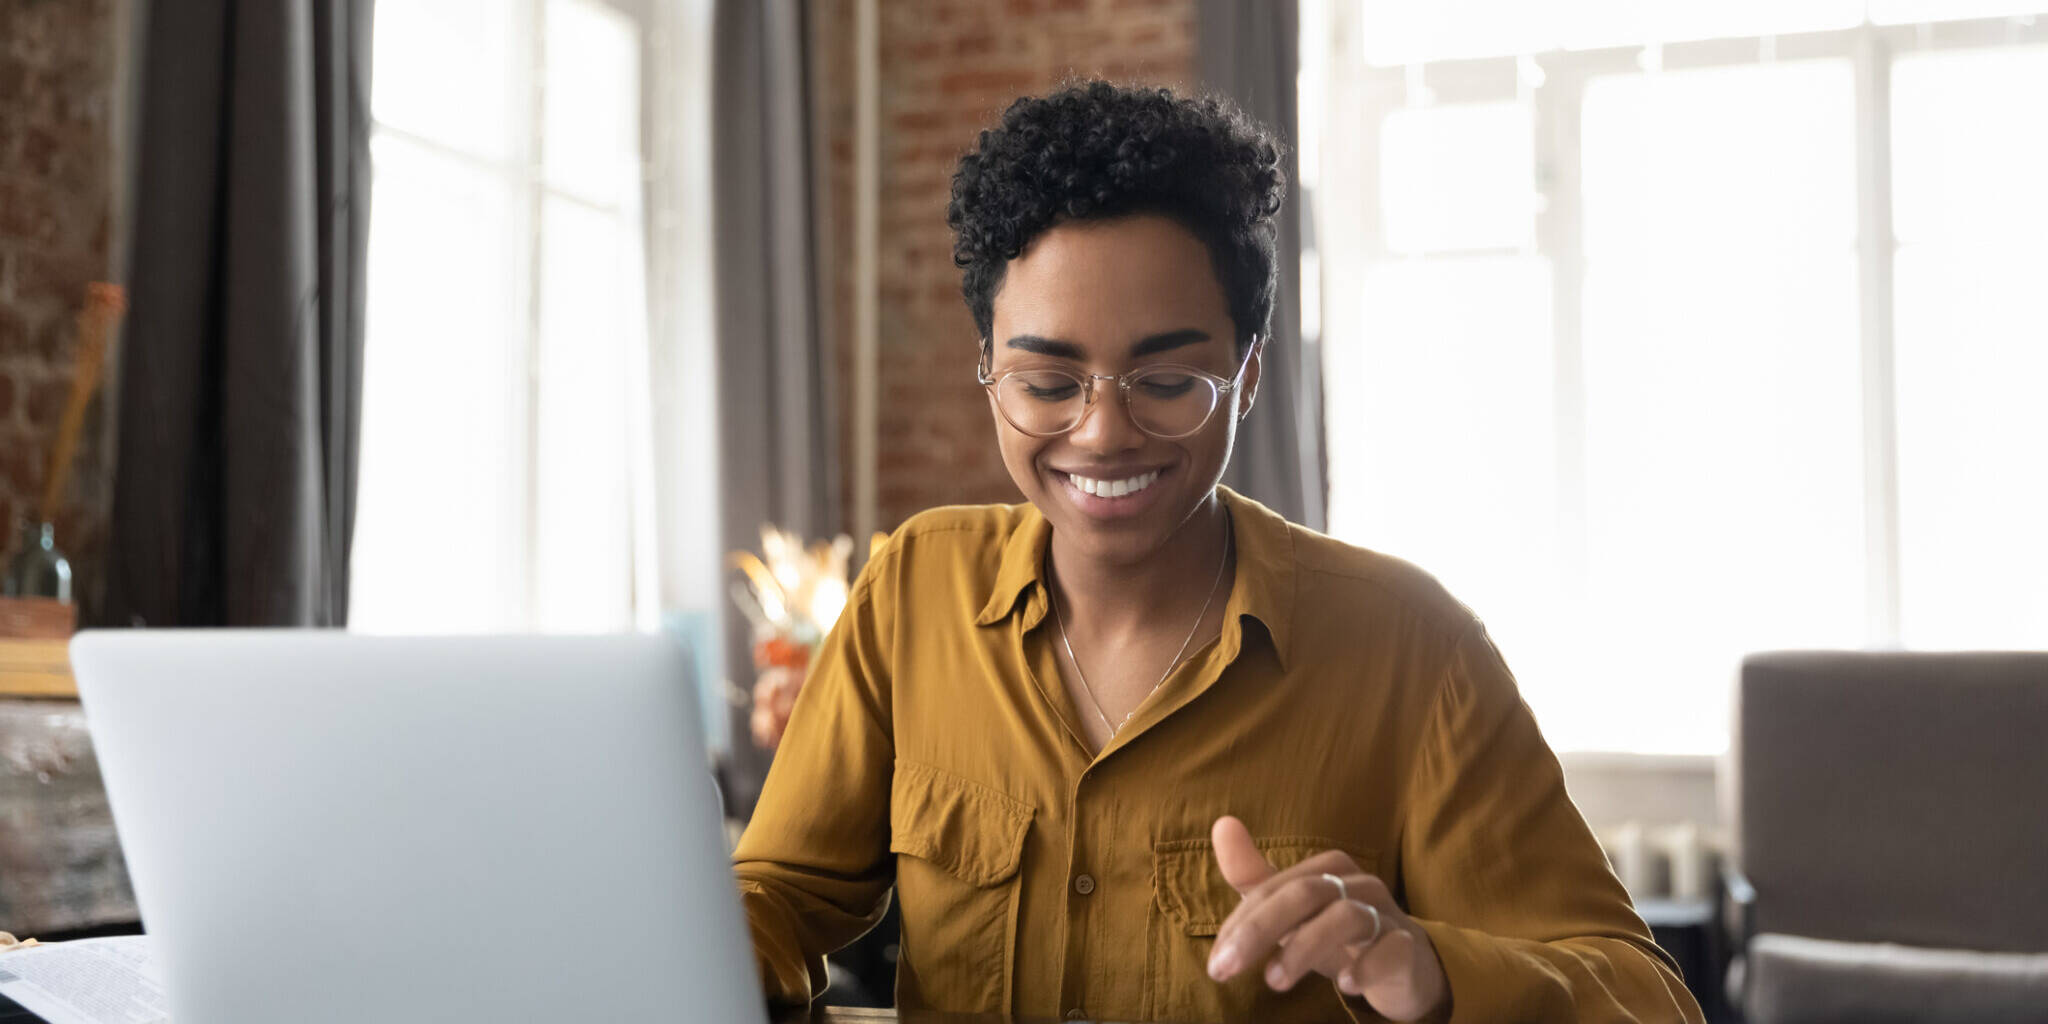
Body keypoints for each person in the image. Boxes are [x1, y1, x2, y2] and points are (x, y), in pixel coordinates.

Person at [733, 80, 1703, 1023]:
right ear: (988, 369)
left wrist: (1432, 970)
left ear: (1244, 376)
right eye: (1046, 380)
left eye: (1165, 379)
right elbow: (779, 893)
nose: (1102, 432)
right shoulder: (914, 590)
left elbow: (1645, 996)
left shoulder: (1413, 650)